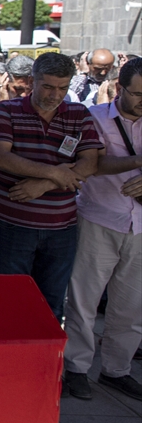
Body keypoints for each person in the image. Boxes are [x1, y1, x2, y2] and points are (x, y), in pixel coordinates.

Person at [0, 52, 100, 320]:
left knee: (51, 305)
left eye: (62, 88)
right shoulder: (7, 110)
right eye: (48, 87)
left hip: (62, 228)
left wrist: (43, 184)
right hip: (15, 224)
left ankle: (45, 349)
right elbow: (2, 157)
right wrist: (55, 173)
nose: (55, 95)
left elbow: (90, 163)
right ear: (32, 81)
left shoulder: (78, 113)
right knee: (11, 301)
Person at [62, 58, 142, 401]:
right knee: (83, 299)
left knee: (131, 304)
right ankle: (76, 368)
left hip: (138, 225)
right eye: (138, 94)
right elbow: (89, 163)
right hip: (98, 217)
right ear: (120, 88)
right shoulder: (92, 117)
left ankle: (117, 369)